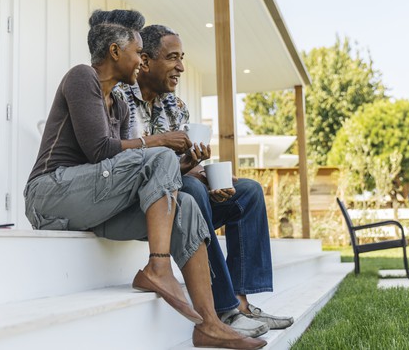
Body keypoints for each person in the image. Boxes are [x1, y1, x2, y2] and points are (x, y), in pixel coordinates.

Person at [24, 9, 265, 350]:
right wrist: (163, 142)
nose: (141, 61)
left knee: (186, 208)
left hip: (94, 206)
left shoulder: (120, 109)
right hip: (49, 195)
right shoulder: (82, 78)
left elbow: (132, 166)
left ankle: (210, 324)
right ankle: (158, 267)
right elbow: (99, 150)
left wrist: (183, 164)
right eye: (138, 52)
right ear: (114, 52)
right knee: (161, 155)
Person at [114, 24, 294, 338]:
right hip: (145, 204)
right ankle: (223, 308)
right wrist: (191, 174)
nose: (181, 67)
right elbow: (123, 164)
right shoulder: (119, 99)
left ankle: (241, 302)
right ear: (144, 60)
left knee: (247, 192)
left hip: (182, 191)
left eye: (182, 58)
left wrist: (207, 174)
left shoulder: (176, 106)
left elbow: (184, 167)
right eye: (172, 58)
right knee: (194, 189)